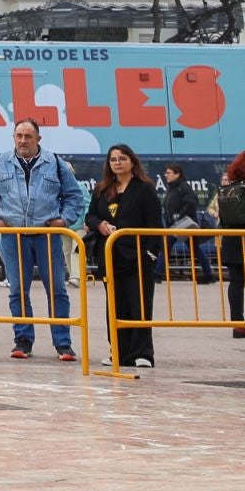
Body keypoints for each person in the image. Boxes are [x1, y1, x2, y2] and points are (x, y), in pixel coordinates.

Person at [0, 119, 85, 362]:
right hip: (13, 237)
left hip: (47, 236)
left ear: (38, 139)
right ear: (13, 137)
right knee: (17, 290)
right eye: (19, 135)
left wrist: (64, 220)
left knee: (57, 289)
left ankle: (63, 343)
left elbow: (74, 197)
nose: (23, 140)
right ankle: (23, 340)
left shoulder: (54, 163)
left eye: (28, 136)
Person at [90, 144, 163, 369]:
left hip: (137, 257)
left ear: (132, 161)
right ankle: (118, 352)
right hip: (110, 257)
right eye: (113, 159)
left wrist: (150, 254)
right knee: (115, 305)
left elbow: (154, 224)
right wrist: (99, 224)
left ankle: (142, 353)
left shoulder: (144, 188)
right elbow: (90, 215)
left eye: (122, 158)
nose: (118, 163)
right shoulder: (102, 188)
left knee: (138, 304)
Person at [216, 150, 245, 339]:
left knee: (236, 282)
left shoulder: (229, 188)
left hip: (231, 240)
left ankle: (238, 325)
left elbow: (223, 218)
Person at [162, 163, 215, 284]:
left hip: (184, 224)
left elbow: (190, 204)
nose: (166, 175)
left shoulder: (183, 187)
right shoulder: (172, 188)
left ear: (177, 174)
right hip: (176, 224)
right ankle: (208, 273)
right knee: (192, 248)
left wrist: (179, 217)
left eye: (169, 172)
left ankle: (157, 273)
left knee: (167, 245)